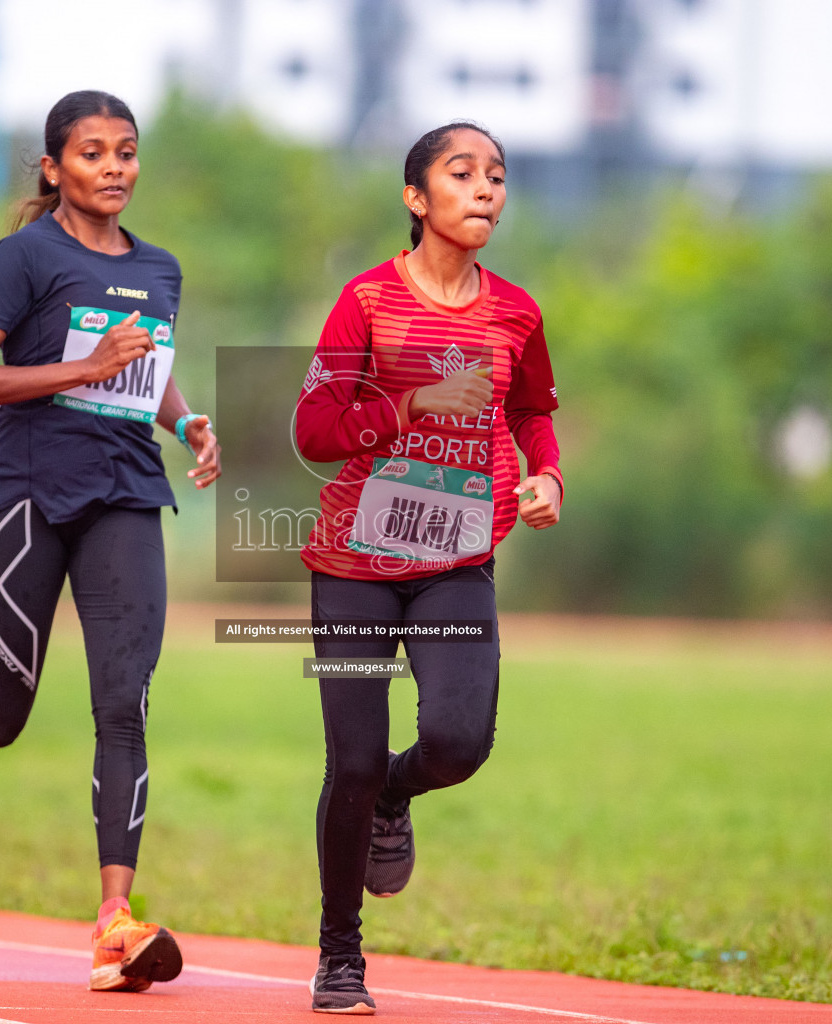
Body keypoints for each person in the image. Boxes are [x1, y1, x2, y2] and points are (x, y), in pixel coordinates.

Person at [0, 89, 221, 995]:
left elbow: (141, 368)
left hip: (123, 494)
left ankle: (115, 922)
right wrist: (84, 367)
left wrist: (187, 420)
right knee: (8, 710)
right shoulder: (24, 256)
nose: (113, 167)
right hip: (26, 494)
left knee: (125, 704)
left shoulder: (160, 268)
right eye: (93, 153)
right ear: (53, 167)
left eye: (126, 152)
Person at [294, 121, 563, 1014]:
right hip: (356, 562)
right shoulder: (364, 302)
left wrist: (547, 472)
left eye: (496, 175)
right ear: (417, 198)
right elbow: (314, 435)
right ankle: (340, 959)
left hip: (456, 556)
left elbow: (531, 411)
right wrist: (411, 404)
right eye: (462, 173)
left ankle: (395, 797)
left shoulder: (516, 312)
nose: (485, 189)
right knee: (353, 756)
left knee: (458, 743)